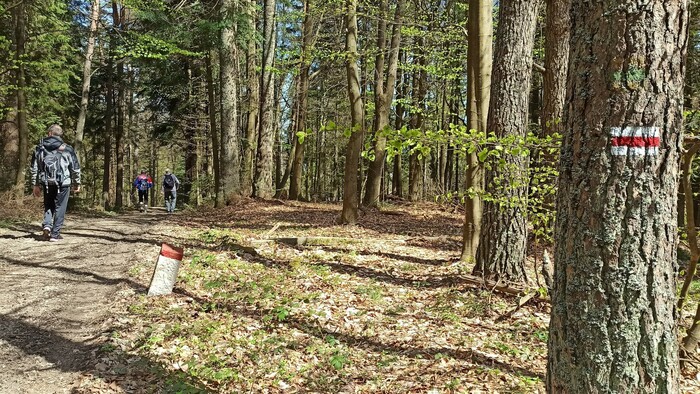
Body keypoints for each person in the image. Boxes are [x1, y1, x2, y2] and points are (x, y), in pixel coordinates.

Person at [30, 124, 81, 242]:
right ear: (60, 135)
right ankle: (55, 234)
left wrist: (35, 184)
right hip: (63, 182)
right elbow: (75, 168)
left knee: (48, 204)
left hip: (46, 182)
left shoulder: (39, 148)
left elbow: (34, 168)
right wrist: (76, 183)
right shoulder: (68, 148)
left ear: (49, 133)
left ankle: (47, 225)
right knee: (60, 207)